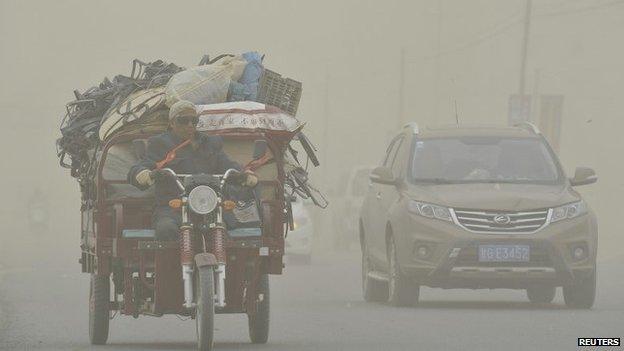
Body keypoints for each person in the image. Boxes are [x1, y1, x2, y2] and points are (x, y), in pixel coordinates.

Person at [128, 100, 258, 241]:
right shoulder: (160, 143)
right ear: (172, 123)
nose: (190, 125)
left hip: (209, 205)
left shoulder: (210, 143)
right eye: (183, 120)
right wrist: (143, 174)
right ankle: (170, 263)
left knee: (220, 235)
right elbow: (144, 164)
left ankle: (225, 263)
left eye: (194, 120)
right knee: (166, 229)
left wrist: (244, 175)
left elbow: (227, 165)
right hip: (173, 207)